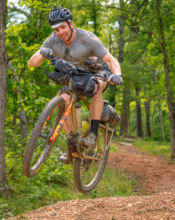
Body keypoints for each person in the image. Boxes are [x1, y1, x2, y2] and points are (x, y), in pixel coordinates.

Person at [28, 7, 123, 163]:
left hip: (96, 71)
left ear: (71, 24)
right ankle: (72, 144)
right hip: (75, 74)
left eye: (63, 27)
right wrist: (42, 53)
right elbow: (32, 63)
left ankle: (92, 134)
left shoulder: (87, 38)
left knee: (95, 87)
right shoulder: (53, 39)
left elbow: (110, 60)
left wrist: (117, 75)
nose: (60, 32)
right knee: (64, 98)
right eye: (56, 29)